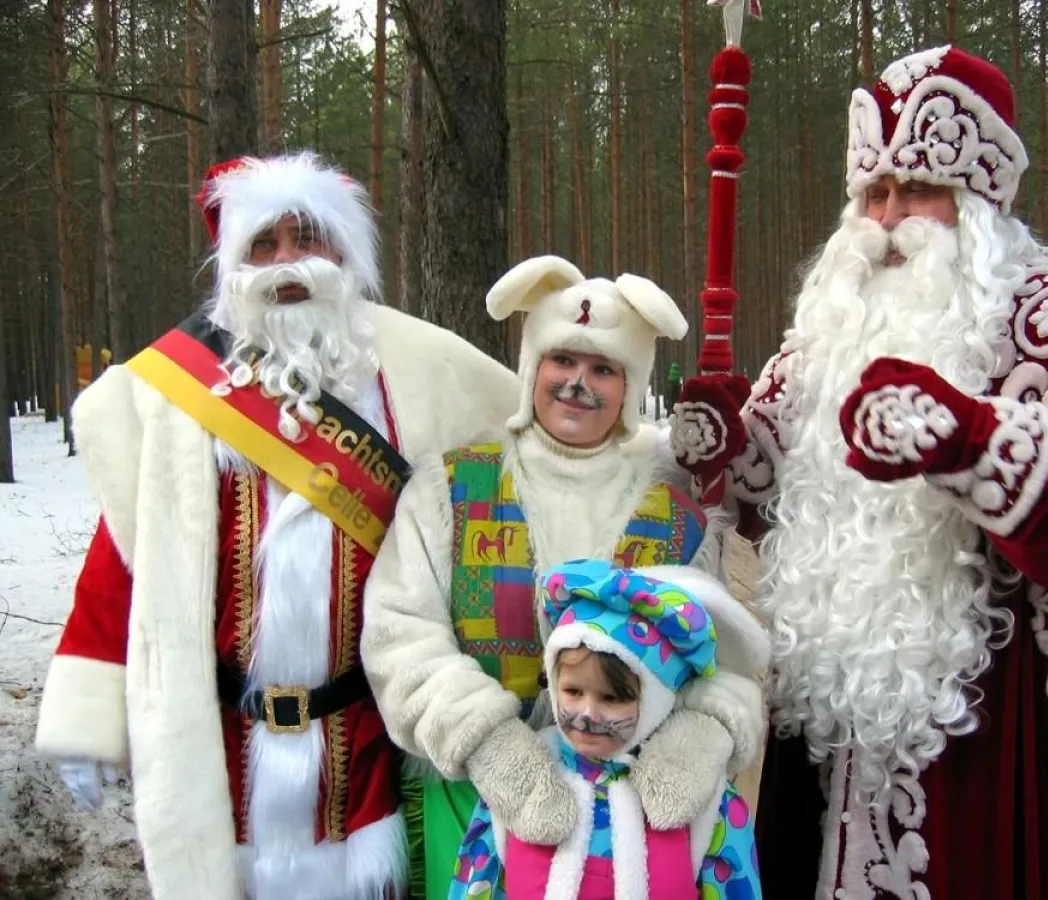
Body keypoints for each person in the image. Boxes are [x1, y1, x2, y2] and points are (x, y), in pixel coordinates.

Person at [670, 46, 1048, 899]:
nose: (886, 218)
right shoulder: (825, 342)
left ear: (979, 204)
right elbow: (768, 493)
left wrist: (974, 444)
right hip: (833, 737)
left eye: (916, 190)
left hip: (993, 741)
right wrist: (725, 445)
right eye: (871, 193)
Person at [34, 151, 520, 899]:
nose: (287, 262)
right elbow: (122, 557)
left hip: (369, 748)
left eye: (308, 238)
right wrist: (88, 718)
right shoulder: (180, 392)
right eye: (265, 244)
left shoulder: (420, 368)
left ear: (345, 254)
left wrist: (670, 458)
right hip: (224, 743)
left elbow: (542, 441)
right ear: (235, 264)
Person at [362, 255, 766, 900]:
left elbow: (717, 663)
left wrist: (696, 740)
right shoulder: (452, 488)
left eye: (604, 368)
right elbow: (400, 636)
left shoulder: (674, 512)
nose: (579, 383)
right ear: (532, 369)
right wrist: (493, 748)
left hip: (629, 821)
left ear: (628, 387)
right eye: (562, 361)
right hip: (477, 798)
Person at [448, 559, 768, 900]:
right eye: (573, 692)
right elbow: (478, 883)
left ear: (656, 700)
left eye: (612, 698)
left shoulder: (706, 799)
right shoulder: (521, 782)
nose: (588, 714)